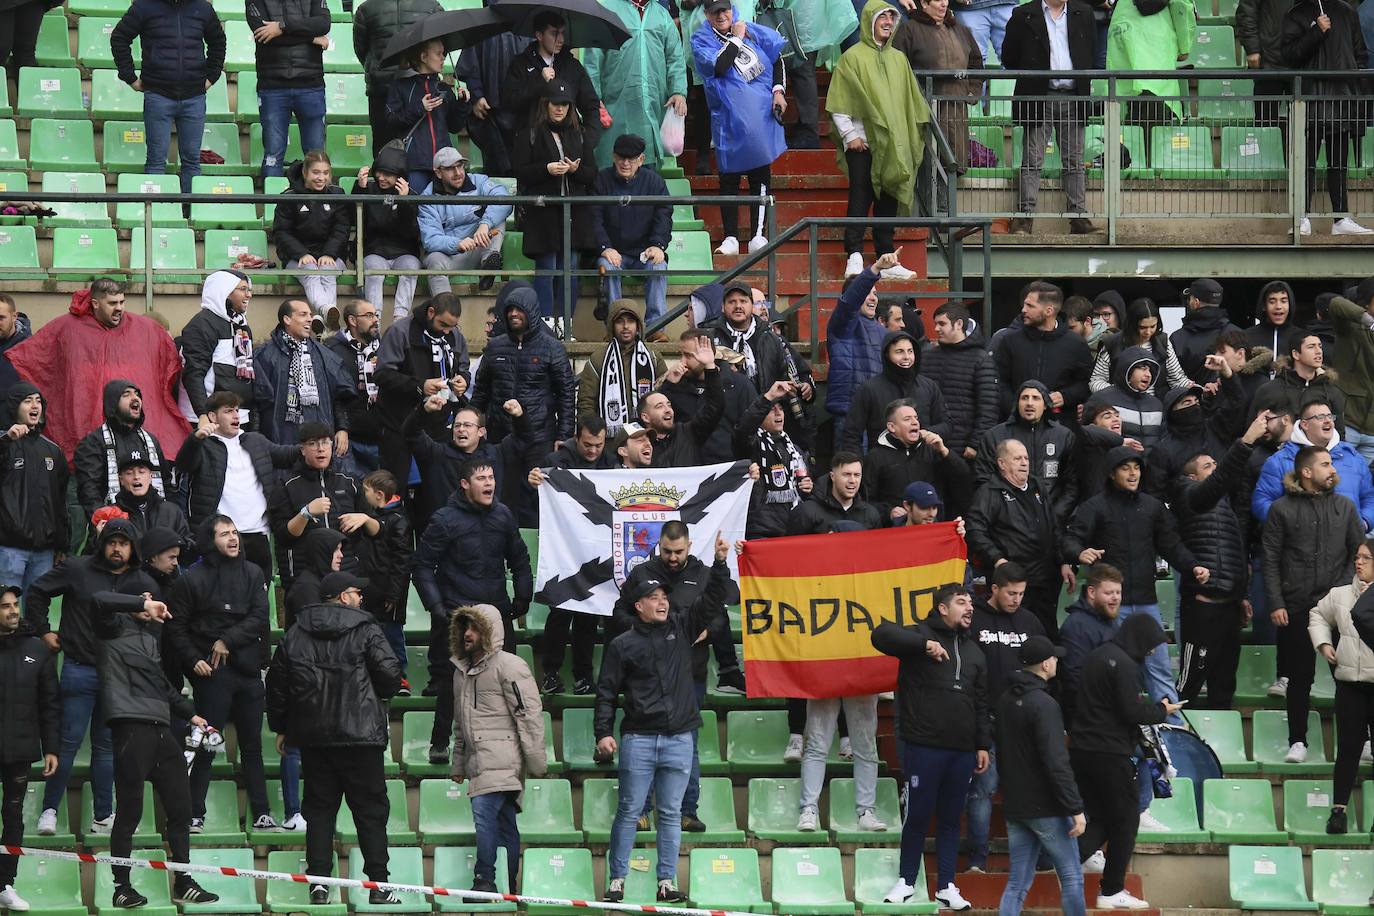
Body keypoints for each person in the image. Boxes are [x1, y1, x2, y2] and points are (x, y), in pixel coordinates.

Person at [596, 536, 732, 904]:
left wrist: (719, 563)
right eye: (653, 598)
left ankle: (667, 882)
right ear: (638, 605)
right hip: (639, 739)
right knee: (628, 812)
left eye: (664, 597)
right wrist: (603, 734)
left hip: (679, 738)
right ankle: (617, 880)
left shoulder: (683, 627)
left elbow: (712, 601)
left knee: (671, 814)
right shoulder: (622, 645)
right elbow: (606, 692)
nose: (661, 602)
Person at [91, 520, 220, 909]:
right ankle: (121, 886)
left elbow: (163, 687)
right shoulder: (110, 631)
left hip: (162, 728)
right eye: (143, 600)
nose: (149, 605)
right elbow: (100, 600)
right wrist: (141, 602)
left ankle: (183, 879)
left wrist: (191, 714)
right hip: (130, 729)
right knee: (129, 812)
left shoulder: (150, 640)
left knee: (180, 810)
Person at [265, 571, 403, 907]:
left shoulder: (295, 633)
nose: (361, 598)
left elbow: (278, 687)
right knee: (370, 813)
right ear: (343, 596)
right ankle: (379, 886)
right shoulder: (367, 629)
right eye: (357, 592)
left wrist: (282, 727)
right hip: (362, 739)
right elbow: (389, 676)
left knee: (320, 812)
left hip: (315, 740)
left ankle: (319, 885)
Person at [871, 584, 990, 911]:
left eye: (971, 604)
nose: (969, 608)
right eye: (961, 602)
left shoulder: (975, 652)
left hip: (962, 751)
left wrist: (982, 745)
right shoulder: (918, 637)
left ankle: (947, 885)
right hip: (923, 746)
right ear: (942, 608)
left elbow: (981, 703)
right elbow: (880, 634)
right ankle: (906, 881)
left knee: (952, 818)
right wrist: (925, 645)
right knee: (919, 814)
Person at [1064, 446, 1203, 715]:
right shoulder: (1094, 506)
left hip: (1146, 603)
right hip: (1110, 608)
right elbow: (1071, 538)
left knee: (1160, 669)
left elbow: (1171, 545)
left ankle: (1172, 735)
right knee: (1117, 671)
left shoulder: (1151, 507)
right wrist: (1079, 553)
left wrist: (1192, 565)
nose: (1133, 473)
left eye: (1137, 467)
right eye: (1125, 468)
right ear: (1112, 473)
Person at [412, 459, 532, 758]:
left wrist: (522, 597)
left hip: (497, 613)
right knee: (450, 682)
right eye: (481, 478)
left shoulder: (503, 515)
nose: (489, 483)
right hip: (458, 614)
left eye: (492, 477)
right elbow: (422, 566)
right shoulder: (444, 519)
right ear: (465, 484)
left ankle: (513, 743)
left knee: (509, 678)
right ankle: (440, 743)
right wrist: (437, 608)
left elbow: (520, 560)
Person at [164, 515, 275, 833]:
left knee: (252, 746)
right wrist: (194, 660)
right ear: (210, 540)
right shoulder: (192, 579)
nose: (233, 538)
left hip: (249, 672)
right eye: (224, 533)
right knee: (207, 745)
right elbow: (177, 628)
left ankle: (262, 812)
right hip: (212, 676)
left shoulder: (253, 572)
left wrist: (227, 640)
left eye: (235, 532)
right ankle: (194, 812)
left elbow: (259, 616)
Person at [9, 281, 188, 466]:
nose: (119, 308)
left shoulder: (145, 329)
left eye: (122, 302)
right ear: (95, 303)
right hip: (82, 431)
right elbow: (35, 361)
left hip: (130, 441)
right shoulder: (66, 328)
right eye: (112, 303)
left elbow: (168, 365)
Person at [1070, 614, 1179, 910]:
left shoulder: (1098, 656)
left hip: (1082, 750)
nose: (1152, 652)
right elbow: (1131, 712)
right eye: (1152, 645)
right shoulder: (1125, 665)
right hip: (1109, 753)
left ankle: (1066, 859)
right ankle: (1111, 889)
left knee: (1105, 817)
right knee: (1127, 819)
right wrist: (1162, 710)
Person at [1262, 445, 1364, 763]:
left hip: (1340, 610)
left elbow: (1357, 554)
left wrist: (1345, 593)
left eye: (1331, 463)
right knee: (1299, 678)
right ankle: (1298, 741)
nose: (1331, 469)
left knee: (1350, 677)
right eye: (1325, 464)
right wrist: (1277, 601)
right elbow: (1270, 559)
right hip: (1297, 606)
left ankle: (1364, 740)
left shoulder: (1346, 507)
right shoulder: (1281, 509)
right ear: (1307, 472)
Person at [445, 603, 547, 893]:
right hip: (480, 762)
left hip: (503, 759)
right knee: (504, 824)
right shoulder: (461, 670)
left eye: (475, 627)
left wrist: (537, 761)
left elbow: (529, 716)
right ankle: (510, 887)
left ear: (489, 631)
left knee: (484, 815)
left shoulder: (511, 665)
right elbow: (460, 722)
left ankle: (485, 879)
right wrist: (458, 764)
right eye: (465, 627)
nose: (468, 633)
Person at [827, 0, 929, 280]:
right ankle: (855, 255)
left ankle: (887, 258)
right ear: (869, 21)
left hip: (892, 145)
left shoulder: (899, 60)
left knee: (889, 197)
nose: (887, 21)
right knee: (861, 195)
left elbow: (910, 104)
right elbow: (838, 101)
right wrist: (850, 136)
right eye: (881, 16)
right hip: (863, 144)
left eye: (891, 17)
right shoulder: (852, 58)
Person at [1173, 416, 1267, 710]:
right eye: (1207, 467)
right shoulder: (1188, 494)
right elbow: (1216, 484)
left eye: (1216, 465)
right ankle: (1175, 743)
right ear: (1192, 477)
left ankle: (1219, 751)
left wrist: (1241, 596)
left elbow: (1234, 556)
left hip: (1229, 607)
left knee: (1224, 684)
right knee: (1189, 683)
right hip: (1203, 608)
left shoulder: (1225, 507)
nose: (1215, 471)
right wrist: (1247, 440)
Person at [995, 636, 1086, 916]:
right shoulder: (1045, 705)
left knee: (1017, 883)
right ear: (1046, 664)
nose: (1057, 661)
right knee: (1072, 877)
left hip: (1015, 804)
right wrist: (1075, 808)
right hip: (1046, 806)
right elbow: (1056, 762)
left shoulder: (1005, 699)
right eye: (1055, 658)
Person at [526, 416, 615, 694]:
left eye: (598, 445)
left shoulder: (610, 463)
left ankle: (583, 675)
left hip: (595, 549)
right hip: (564, 549)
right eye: (588, 445)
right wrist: (535, 481)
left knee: (589, 613)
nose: (593, 451)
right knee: (561, 610)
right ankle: (551, 673)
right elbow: (540, 497)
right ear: (577, 439)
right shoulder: (557, 460)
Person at [966, 563, 1045, 873]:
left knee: (1029, 791)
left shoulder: (1030, 621)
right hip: (986, 717)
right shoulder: (974, 619)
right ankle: (977, 861)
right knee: (982, 791)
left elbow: (1046, 665)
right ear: (994, 589)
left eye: (1021, 593)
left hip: (1024, 720)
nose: (1016, 599)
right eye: (1011, 593)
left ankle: (1037, 861)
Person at [692, 0, 788, 256]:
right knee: (729, 177)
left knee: (760, 174)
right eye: (715, 12)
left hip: (760, 117)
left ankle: (758, 234)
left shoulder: (751, 29)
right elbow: (719, 67)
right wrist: (736, 39)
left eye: (725, 10)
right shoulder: (701, 39)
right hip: (728, 118)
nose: (722, 15)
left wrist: (778, 90)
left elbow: (777, 58)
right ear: (707, 15)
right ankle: (731, 236)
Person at [177, 392, 299, 576]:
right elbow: (184, 464)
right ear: (212, 416)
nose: (235, 415)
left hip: (259, 534)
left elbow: (287, 455)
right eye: (228, 411)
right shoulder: (203, 445)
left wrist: (310, 445)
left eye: (236, 410)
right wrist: (195, 439)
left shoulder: (256, 440)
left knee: (259, 595)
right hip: (221, 537)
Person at [110, 0, 225, 194]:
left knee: (191, 161)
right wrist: (129, 77)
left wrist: (211, 76)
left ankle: (192, 211)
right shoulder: (144, 6)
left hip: (194, 97)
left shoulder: (203, 8)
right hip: (158, 95)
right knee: (156, 160)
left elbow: (218, 42)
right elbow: (119, 38)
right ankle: (157, 214)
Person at [1000, 0, 1095, 234]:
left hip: (1075, 96)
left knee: (1075, 160)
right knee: (1032, 160)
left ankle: (1078, 217)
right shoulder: (1023, 14)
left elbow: (1091, 52)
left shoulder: (1084, 12)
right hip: (1038, 95)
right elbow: (1009, 58)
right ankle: (1025, 217)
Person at [511, 79, 598, 334]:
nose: (559, 109)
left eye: (564, 104)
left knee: (570, 271)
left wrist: (575, 169)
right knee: (546, 270)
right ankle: (546, 323)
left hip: (574, 214)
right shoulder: (530, 133)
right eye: (554, 104)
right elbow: (520, 172)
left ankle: (565, 323)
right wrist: (546, 169)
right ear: (544, 105)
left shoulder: (579, 133)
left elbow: (592, 174)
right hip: (543, 213)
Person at [965, 438, 1074, 637]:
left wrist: (1063, 561)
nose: (1024, 463)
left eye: (1026, 458)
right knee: (1018, 633)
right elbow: (975, 531)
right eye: (1017, 459)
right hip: (1014, 581)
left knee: (1047, 632)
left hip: (1047, 578)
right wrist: (998, 560)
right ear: (1002, 464)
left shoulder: (1037, 486)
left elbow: (1054, 527)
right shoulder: (989, 493)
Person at [1283, 0, 1373, 237]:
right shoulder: (1297, 13)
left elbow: (1360, 54)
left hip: (1342, 100)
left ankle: (1341, 218)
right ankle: (1301, 216)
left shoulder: (1347, 12)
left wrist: (1355, 87)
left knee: (1338, 164)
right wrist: (1316, 32)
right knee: (1306, 163)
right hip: (1309, 102)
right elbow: (1289, 56)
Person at [892, 0, 983, 211]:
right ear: (924, 3)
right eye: (937, 0)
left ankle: (943, 217)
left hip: (956, 110)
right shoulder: (909, 30)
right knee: (927, 162)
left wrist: (972, 92)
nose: (943, 3)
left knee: (949, 161)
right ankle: (931, 218)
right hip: (923, 111)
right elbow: (897, 69)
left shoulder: (961, 30)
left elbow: (976, 63)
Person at [0, 584, 59, 913]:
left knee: (13, 818)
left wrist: (51, 747)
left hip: (20, 750)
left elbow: (50, 704)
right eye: (5, 606)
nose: (12, 610)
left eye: (14, 605)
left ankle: (5, 885)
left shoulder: (36, 649)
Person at [374, 292, 470, 480]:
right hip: (400, 424)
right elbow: (382, 374)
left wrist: (463, 380)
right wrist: (420, 386)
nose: (447, 332)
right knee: (396, 487)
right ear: (431, 312)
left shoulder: (455, 335)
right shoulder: (400, 331)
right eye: (443, 325)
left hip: (439, 428)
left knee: (436, 488)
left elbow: (464, 368)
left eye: (452, 326)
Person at [1313, 540, 1374, 834]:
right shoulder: (1340, 595)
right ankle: (1339, 811)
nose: (1359, 562)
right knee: (1348, 748)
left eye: (1366, 558)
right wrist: (1324, 644)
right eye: (1357, 557)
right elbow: (1316, 615)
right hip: (1350, 684)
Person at [582, 0, 687, 169]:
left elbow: (675, 58)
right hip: (613, 109)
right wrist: (594, 101)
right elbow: (592, 62)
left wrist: (678, 90)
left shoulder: (662, 15)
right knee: (614, 168)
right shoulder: (606, 11)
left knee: (647, 172)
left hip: (654, 106)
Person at [471, 287, 577, 453]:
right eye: (510, 309)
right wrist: (471, 425)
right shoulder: (494, 346)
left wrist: (564, 436)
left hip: (540, 438)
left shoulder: (553, 348)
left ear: (532, 312)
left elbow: (566, 395)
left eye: (519, 309)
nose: (513, 313)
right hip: (500, 437)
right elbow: (480, 392)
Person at [1253, 395, 1374, 533]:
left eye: (1330, 416)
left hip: (1346, 546)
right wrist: (1290, 524)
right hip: (1298, 547)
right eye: (1320, 417)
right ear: (1305, 424)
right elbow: (1262, 501)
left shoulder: (1353, 457)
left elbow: (1369, 497)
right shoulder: (1280, 460)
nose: (1328, 421)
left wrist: (1364, 522)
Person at [267, 421, 367, 587]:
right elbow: (282, 535)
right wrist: (306, 513)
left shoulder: (349, 481)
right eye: (312, 444)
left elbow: (377, 529)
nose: (320, 449)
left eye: (325, 443)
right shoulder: (287, 485)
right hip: (304, 577)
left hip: (346, 573)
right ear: (302, 449)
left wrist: (364, 518)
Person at [591, 135, 675, 327]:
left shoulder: (654, 182)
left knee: (658, 266)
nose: (625, 163)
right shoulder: (601, 180)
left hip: (644, 252)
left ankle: (655, 328)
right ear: (613, 156)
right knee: (607, 266)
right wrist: (605, 247)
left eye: (631, 158)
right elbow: (594, 218)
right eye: (621, 157)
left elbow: (664, 216)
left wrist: (657, 245)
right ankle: (614, 326)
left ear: (641, 160)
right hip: (613, 251)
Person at [974, 381, 1078, 526]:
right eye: (1024, 398)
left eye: (1036, 398)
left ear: (1046, 404)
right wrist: (1007, 514)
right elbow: (984, 480)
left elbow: (1072, 485)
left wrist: (1055, 516)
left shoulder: (1064, 436)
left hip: (1052, 523)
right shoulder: (995, 436)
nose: (1029, 403)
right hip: (1008, 524)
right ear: (1017, 403)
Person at [0, 383, 69, 597]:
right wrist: (5, 440)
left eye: (38, 401)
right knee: (6, 612)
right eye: (28, 400)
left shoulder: (53, 450)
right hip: (8, 548)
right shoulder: (4, 443)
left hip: (44, 551)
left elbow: (60, 501)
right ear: (14, 407)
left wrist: (61, 545)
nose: (35, 405)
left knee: (37, 612)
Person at [74, 379, 174, 525]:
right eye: (126, 394)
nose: (135, 398)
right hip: (114, 531)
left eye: (137, 394)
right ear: (112, 403)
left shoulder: (151, 440)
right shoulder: (93, 442)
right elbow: (89, 492)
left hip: (153, 526)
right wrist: (108, 525)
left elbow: (165, 483)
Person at [248, 0, 330, 178]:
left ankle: (316, 205)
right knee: (273, 154)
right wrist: (310, 37)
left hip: (311, 85)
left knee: (316, 156)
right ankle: (272, 206)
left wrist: (281, 27)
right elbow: (263, 36)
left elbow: (323, 24)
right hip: (272, 87)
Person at [253, 300, 354, 445]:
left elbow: (339, 394)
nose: (310, 319)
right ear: (287, 319)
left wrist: (342, 429)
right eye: (303, 314)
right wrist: (256, 440)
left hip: (318, 441)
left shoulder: (323, 354)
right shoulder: (265, 355)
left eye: (310, 315)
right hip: (279, 440)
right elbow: (258, 401)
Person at [274, 151, 353, 331]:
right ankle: (327, 313)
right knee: (310, 269)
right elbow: (281, 232)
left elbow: (341, 229)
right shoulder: (289, 196)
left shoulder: (337, 194)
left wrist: (329, 253)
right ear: (305, 173)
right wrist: (301, 253)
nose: (321, 178)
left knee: (327, 269)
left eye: (325, 173)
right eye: (316, 172)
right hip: (297, 258)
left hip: (331, 256)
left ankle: (321, 319)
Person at [826, 253, 901, 442]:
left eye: (875, 293)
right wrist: (875, 268)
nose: (873, 298)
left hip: (880, 418)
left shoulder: (883, 332)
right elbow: (849, 303)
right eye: (867, 292)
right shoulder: (842, 324)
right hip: (850, 416)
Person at [994, 281, 1094, 421]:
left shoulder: (1075, 344)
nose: (1023, 310)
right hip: (1016, 426)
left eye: (1030, 306)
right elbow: (999, 381)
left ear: (1049, 311)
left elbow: (1085, 383)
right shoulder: (1010, 341)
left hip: (1060, 427)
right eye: (1024, 304)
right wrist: (1016, 406)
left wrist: (1065, 396)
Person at [419, 147, 512, 295]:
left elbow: (505, 199)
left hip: (481, 249)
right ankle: (446, 309)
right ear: (438, 172)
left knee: (497, 218)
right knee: (433, 260)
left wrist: (485, 223)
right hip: (452, 255)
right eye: (450, 168)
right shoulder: (427, 198)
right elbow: (430, 239)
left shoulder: (479, 181)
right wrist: (457, 244)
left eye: (460, 166)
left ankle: (488, 266)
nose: (457, 173)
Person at [500, 10, 602, 145]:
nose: (561, 39)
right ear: (539, 35)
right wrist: (539, 83)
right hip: (533, 145)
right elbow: (509, 101)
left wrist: (588, 140)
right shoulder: (521, 63)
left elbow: (591, 105)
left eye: (562, 33)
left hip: (569, 143)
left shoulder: (572, 65)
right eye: (554, 34)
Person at [352, 0, 442, 152]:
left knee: (383, 149)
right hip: (420, 86)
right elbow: (439, 46)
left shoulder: (366, 8)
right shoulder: (432, 6)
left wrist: (376, 69)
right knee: (422, 145)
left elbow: (361, 49)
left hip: (381, 86)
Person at [861, 399, 969, 520]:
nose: (915, 423)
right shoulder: (875, 456)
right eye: (907, 419)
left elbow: (963, 477)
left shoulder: (932, 449)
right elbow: (866, 501)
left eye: (916, 418)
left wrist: (944, 451)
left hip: (931, 526)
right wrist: (888, 513)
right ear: (892, 427)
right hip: (894, 529)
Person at [386, 39, 473, 191]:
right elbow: (391, 120)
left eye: (444, 53)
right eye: (438, 53)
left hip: (444, 166)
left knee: (444, 211)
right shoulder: (401, 86)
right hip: (415, 164)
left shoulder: (443, 88)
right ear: (424, 57)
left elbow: (454, 126)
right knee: (415, 209)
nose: (443, 57)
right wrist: (420, 108)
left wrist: (462, 104)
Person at [734, 381, 815, 538]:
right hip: (762, 529)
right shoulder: (752, 444)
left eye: (781, 409)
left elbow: (806, 487)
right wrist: (769, 397)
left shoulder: (794, 449)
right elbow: (742, 431)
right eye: (772, 410)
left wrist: (808, 487)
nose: (778, 413)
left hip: (794, 527)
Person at [842, 331, 947, 452]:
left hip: (923, 462)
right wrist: (859, 464)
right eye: (899, 352)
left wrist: (925, 434)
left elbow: (945, 424)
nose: (906, 357)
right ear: (887, 355)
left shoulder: (928, 386)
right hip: (882, 464)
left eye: (910, 351)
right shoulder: (869, 388)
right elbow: (852, 433)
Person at [577, 300, 668, 436]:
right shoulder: (598, 358)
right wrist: (594, 434)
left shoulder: (653, 356)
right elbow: (586, 403)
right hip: (609, 441)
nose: (626, 326)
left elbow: (665, 396)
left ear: (638, 325)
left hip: (648, 437)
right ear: (611, 326)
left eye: (631, 321)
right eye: (620, 321)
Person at [356, 142, 425, 320]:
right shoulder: (367, 190)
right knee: (374, 270)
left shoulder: (411, 196)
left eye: (388, 174)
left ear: (401, 176)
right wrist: (360, 190)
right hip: (374, 251)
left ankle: (399, 319)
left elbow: (410, 231)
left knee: (411, 267)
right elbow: (353, 219)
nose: (381, 177)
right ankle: (374, 320)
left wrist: (403, 202)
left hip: (404, 252)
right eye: (379, 172)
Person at [923, 301, 998, 463]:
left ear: (958, 324)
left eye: (942, 324)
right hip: (928, 445)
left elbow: (988, 408)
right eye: (936, 324)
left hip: (962, 449)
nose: (936, 329)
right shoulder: (928, 356)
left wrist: (976, 444)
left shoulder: (981, 360)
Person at [1105, 0, 1194, 135]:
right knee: (1155, 113)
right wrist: (1184, 47)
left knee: (1135, 107)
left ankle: (1134, 150)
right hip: (1154, 43)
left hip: (1122, 33)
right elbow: (1181, 6)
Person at [179, 271, 256, 427]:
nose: (248, 295)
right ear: (224, 292)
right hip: (208, 418)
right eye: (242, 289)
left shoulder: (241, 324)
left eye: (249, 290)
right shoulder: (202, 324)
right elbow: (194, 373)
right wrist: (202, 413)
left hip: (238, 415)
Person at [452, 27, 531, 178]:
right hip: (490, 113)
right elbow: (471, 64)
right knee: (496, 168)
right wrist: (476, 96)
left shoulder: (527, 24)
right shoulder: (483, 26)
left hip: (524, 113)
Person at [357, 470, 412, 681]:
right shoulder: (373, 517)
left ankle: (400, 676)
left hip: (390, 593)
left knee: (392, 633)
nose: (364, 495)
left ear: (379, 494)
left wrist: (394, 595)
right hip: (372, 587)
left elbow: (402, 562)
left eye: (366, 491)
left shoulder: (399, 522)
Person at [323, 300, 384, 477]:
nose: (375, 320)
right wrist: (341, 428)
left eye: (376, 315)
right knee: (351, 494)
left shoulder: (382, 347)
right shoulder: (333, 349)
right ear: (352, 320)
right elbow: (332, 395)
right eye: (369, 315)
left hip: (379, 436)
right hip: (348, 439)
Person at [1058, 562, 1123, 725]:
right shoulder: (1076, 626)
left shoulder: (1110, 621)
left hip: (1110, 712)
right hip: (1090, 719)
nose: (1115, 597)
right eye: (1109, 593)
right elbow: (1074, 678)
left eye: (1118, 592)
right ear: (1092, 592)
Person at [1089, 297, 1193, 397]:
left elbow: (1177, 379)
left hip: (1155, 407)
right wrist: (1118, 393)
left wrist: (1194, 388)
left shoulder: (1163, 343)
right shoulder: (1113, 344)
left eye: (1153, 326)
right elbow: (1096, 381)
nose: (1148, 332)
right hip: (1120, 408)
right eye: (1142, 327)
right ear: (1132, 324)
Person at [1326, 280, 1374, 463]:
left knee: (1363, 486)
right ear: (1366, 304)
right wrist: (1369, 322)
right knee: (1338, 479)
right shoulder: (1350, 329)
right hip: (1348, 423)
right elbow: (1335, 304)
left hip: (1372, 432)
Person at [1255, 331, 1346, 427]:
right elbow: (1258, 428)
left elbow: (1339, 432)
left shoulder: (1332, 391)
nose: (1318, 351)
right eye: (1311, 347)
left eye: (1320, 346)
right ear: (1296, 354)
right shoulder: (1271, 390)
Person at [789, 450, 884, 534]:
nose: (852, 480)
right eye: (846, 474)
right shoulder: (807, 512)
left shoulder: (871, 514)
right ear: (832, 476)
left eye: (857, 475)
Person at [1092, 346, 1166, 453]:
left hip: (1151, 468)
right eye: (1143, 368)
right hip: (1116, 465)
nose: (1148, 374)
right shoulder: (1102, 398)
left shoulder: (1157, 405)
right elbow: (1087, 435)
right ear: (1127, 369)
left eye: (1150, 370)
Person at [1170, 279, 1241, 383]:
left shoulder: (1177, 338)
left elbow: (1170, 379)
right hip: (1229, 397)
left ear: (1196, 302)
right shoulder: (1237, 334)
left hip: (1189, 398)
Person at [112, 456, 192, 546]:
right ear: (121, 480)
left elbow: (187, 546)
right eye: (129, 473)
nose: (136, 477)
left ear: (150, 476)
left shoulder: (171, 512)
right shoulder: (112, 514)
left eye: (141, 472)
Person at [1243, 281, 1300, 369]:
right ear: (1263, 306)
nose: (1278, 306)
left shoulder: (1301, 337)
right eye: (1272, 302)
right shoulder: (1246, 336)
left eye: (1283, 301)